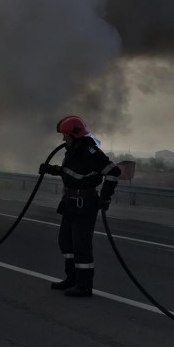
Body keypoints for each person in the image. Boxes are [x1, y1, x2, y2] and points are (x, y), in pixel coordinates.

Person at [39, 115, 120, 297]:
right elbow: (73, 173)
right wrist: (53, 170)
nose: (62, 139)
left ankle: (84, 285)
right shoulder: (73, 150)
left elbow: (113, 172)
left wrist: (106, 196)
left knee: (81, 245)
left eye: (64, 135)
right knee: (65, 242)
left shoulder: (91, 152)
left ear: (73, 135)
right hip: (70, 203)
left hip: (85, 206)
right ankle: (72, 279)